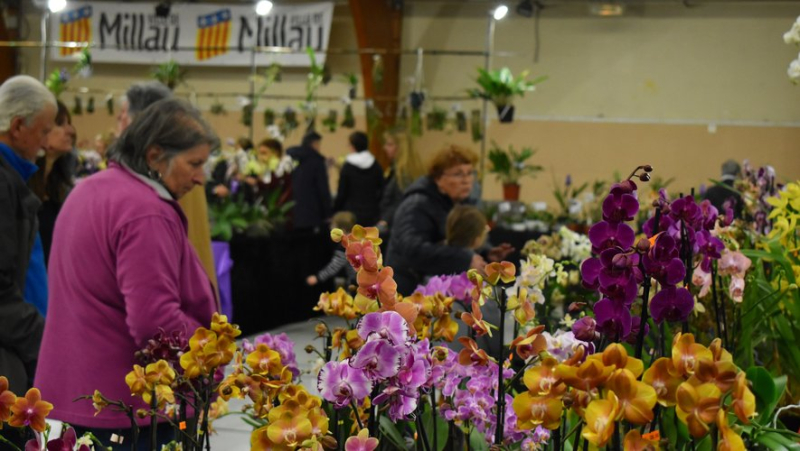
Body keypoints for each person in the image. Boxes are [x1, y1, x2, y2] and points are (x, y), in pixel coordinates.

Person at [35, 99, 219, 445]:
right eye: (194, 163)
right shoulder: (146, 212)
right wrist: (211, 353)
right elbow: (155, 321)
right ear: (154, 156)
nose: (200, 177)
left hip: (83, 398)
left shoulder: (90, 189)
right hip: (130, 409)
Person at [117, 81, 219, 294]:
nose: (120, 120)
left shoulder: (165, 178)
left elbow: (152, 310)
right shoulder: (169, 170)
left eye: (124, 113)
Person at [387, 144, 513, 295]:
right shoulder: (416, 205)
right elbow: (414, 251)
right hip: (407, 291)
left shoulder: (460, 202)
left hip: (435, 291)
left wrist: (485, 252)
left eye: (470, 173)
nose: (466, 180)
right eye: (458, 174)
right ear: (438, 178)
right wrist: (465, 258)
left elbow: (459, 241)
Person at [0, 75, 54, 398]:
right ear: (18, 126)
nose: (46, 144)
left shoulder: (12, 178)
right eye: (44, 131)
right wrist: (44, 341)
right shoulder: (2, 183)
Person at [28, 100, 76, 266]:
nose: (70, 130)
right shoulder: (20, 186)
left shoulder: (59, 188)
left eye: (69, 123)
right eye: (60, 124)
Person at [377, 129, 425, 234]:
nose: (385, 148)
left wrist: (385, 221)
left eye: (390, 145)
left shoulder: (404, 173)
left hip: (399, 226)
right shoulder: (398, 170)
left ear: (401, 148)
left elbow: (401, 201)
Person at [333, 131, 384, 226]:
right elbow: (381, 190)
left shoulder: (347, 167)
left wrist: (335, 210)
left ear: (353, 146)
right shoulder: (376, 165)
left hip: (351, 215)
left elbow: (342, 192)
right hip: (372, 214)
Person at [287, 131, 332, 231]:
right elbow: (322, 189)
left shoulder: (292, 159)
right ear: (314, 143)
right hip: (312, 214)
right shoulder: (316, 161)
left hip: (291, 212)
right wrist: (328, 213)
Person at [306, 211, 358, 288]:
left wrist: (318, 277)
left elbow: (334, 266)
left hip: (357, 282)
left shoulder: (344, 247)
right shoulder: (357, 240)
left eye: (333, 225)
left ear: (342, 230)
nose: (330, 227)